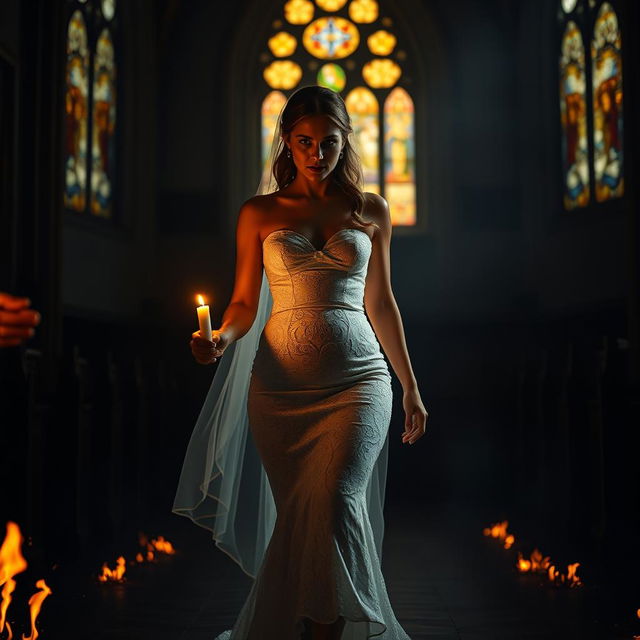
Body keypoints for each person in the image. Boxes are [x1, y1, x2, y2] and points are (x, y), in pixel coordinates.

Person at [179, 85, 428, 640]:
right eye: (305, 141)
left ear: (346, 142)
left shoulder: (370, 209)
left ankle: (324, 632)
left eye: (329, 142)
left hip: (360, 383)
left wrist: (409, 386)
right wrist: (220, 337)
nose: (317, 152)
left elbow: (381, 302)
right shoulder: (260, 212)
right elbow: (243, 301)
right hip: (281, 391)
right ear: (287, 143)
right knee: (302, 514)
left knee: (335, 501)